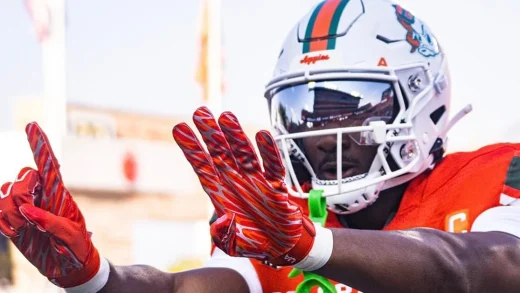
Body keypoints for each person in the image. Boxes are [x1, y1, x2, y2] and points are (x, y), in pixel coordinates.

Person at [1, 0, 520, 292]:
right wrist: (95, 277)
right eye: (303, 111)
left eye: (345, 106)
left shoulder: (500, 174)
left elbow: (486, 267)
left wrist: (311, 247)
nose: (320, 133)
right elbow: (180, 291)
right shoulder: (284, 220)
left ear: (422, 98)